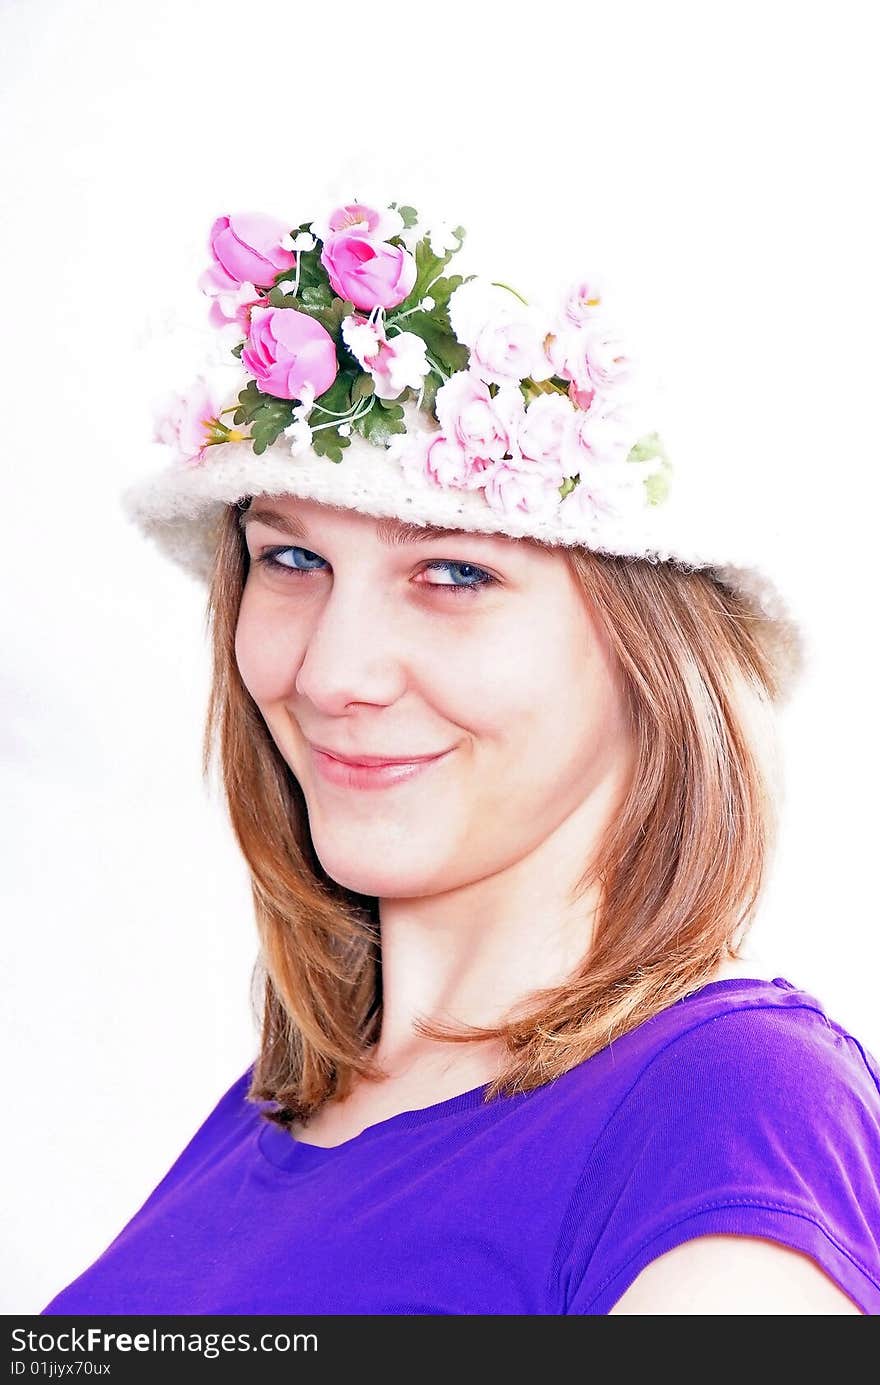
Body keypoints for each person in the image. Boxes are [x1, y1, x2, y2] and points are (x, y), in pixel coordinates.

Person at [42, 198, 880, 1316]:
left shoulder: (725, 1108)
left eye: (454, 573)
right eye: (290, 555)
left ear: (656, 649)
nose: (334, 671)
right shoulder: (271, 1114)